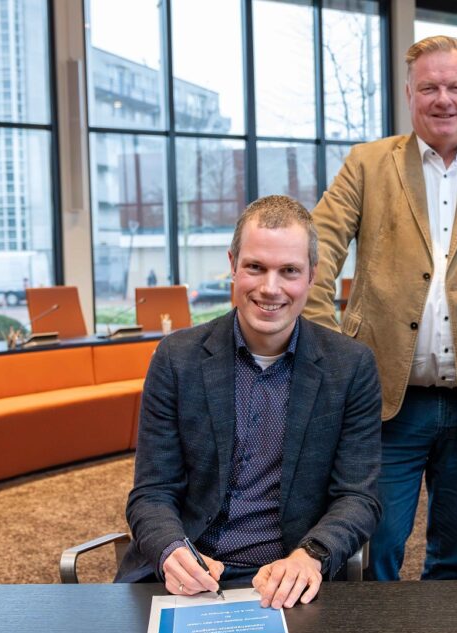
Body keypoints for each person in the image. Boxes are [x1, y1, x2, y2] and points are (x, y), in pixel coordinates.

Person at [305, 36, 457, 581]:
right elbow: (316, 255)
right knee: (376, 548)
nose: (443, 98)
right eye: (430, 87)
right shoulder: (367, 166)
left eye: (455, 86)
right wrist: (330, 350)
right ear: (410, 94)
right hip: (385, 400)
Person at [115, 195, 382, 610]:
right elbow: (151, 492)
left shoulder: (350, 367)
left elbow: (358, 497)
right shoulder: (176, 358)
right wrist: (170, 549)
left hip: (285, 580)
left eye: (289, 271)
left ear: (312, 276)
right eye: (255, 267)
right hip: (186, 576)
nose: (269, 288)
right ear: (233, 265)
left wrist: (310, 556)